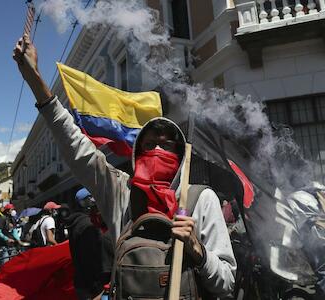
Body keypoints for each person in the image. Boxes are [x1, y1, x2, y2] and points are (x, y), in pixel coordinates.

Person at [13, 35, 236, 298]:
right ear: (137, 153)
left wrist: (198, 251)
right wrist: (35, 80)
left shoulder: (201, 199)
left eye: (166, 146)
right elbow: (75, 145)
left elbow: (226, 283)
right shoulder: (121, 192)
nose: (157, 152)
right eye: (149, 145)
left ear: (180, 154)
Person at [64, 188, 114, 299]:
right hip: (91, 287)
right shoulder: (87, 226)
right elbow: (93, 259)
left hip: (83, 283)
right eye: (91, 197)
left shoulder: (78, 222)